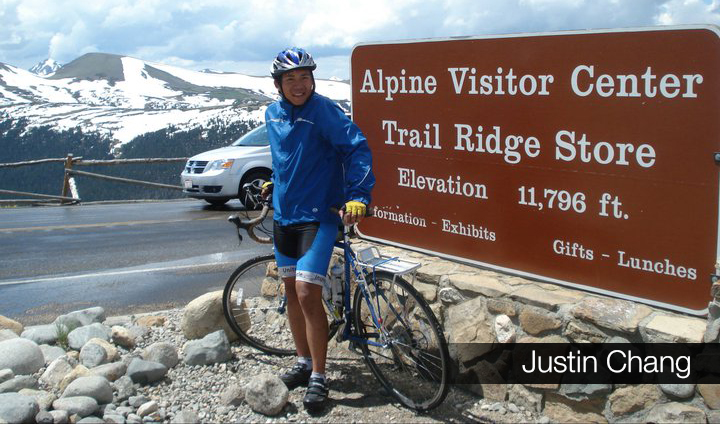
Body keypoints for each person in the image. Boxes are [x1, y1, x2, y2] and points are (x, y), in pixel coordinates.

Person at [263, 47, 375, 412]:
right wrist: (272, 183)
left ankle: (319, 377)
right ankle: (303, 361)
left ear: (313, 79)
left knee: (308, 291)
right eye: (291, 79)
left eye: (305, 77)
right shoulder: (272, 114)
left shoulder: (323, 111)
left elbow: (357, 148)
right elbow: (284, 158)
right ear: (279, 84)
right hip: (284, 217)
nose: (299, 85)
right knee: (291, 294)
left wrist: (357, 194)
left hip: (319, 215)